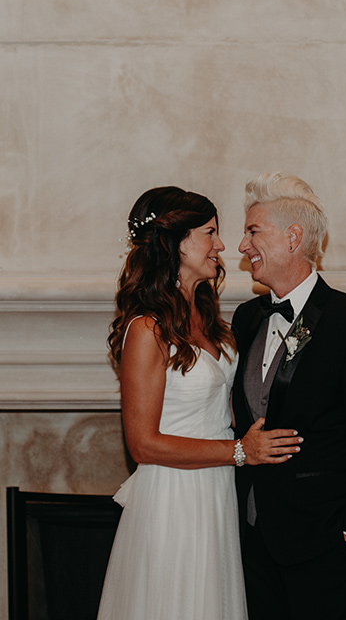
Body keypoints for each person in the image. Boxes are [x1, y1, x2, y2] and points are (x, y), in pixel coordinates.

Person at [97, 186, 302, 620]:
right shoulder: (145, 329)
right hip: (174, 496)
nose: (222, 246)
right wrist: (242, 451)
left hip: (217, 491)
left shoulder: (210, 318)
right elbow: (143, 445)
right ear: (177, 242)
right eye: (210, 232)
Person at [231, 172, 346, 620]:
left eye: (253, 231)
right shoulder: (246, 318)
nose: (242, 246)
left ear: (293, 237)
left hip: (324, 544)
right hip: (251, 540)